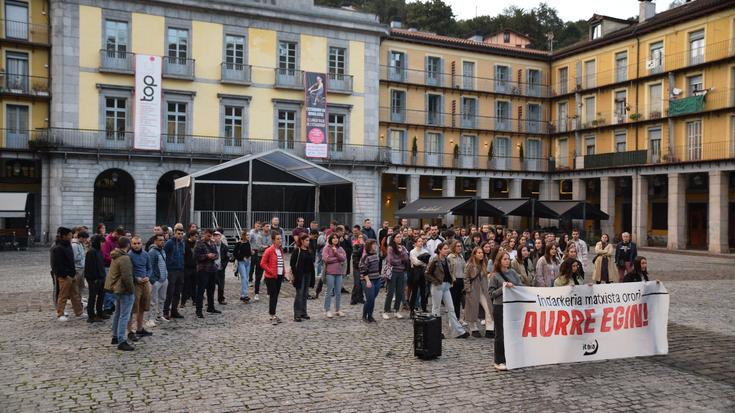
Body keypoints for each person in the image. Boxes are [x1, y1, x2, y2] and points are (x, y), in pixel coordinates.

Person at [425, 243, 469, 339]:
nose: (447, 250)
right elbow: (427, 273)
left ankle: (458, 331)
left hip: (446, 286)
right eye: (445, 249)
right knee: (436, 308)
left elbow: (449, 272)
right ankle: (436, 331)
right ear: (440, 250)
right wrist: (436, 281)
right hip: (437, 286)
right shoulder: (434, 259)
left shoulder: (446, 260)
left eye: (447, 248)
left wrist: (451, 281)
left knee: (451, 308)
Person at [488, 250, 523, 371]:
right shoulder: (494, 275)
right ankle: (498, 360)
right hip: (500, 306)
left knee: (512, 333)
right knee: (500, 334)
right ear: (499, 261)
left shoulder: (513, 272)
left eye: (508, 258)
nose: (507, 261)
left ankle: (511, 357)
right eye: (504, 259)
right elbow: (491, 294)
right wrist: (503, 288)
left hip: (512, 306)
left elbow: (520, 286)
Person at [105, 237, 136, 351]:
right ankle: (122, 340)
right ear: (128, 245)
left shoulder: (115, 255)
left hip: (116, 289)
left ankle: (115, 336)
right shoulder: (124, 258)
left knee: (118, 313)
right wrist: (131, 290)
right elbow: (127, 277)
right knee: (124, 315)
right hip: (123, 289)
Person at [51, 227, 84, 321]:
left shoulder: (68, 245)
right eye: (69, 235)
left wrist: (73, 273)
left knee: (75, 294)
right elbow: (57, 265)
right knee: (63, 295)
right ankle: (60, 313)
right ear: (64, 236)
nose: (71, 236)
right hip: (64, 276)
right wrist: (65, 275)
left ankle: (79, 312)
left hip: (72, 274)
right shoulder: (57, 248)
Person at [260, 232, 289, 325]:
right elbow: (262, 263)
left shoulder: (280, 250)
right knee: (273, 295)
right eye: (278, 239)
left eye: (280, 238)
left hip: (279, 276)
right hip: (271, 277)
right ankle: (272, 314)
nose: (280, 240)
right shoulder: (269, 250)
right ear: (273, 240)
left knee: (276, 295)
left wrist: (284, 272)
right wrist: (271, 271)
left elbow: (282, 262)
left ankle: (273, 313)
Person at [464, 247, 492, 338]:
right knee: (473, 309)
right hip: (473, 289)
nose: (481, 254)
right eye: (479, 253)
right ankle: (473, 328)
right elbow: (466, 278)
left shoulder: (483, 264)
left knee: (488, 308)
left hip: (483, 290)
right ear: (474, 254)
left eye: (482, 253)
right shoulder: (470, 264)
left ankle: (490, 329)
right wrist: (468, 290)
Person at [128, 237, 153, 340]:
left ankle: (139, 329)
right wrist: (136, 278)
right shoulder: (129, 255)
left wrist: (148, 276)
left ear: (141, 244)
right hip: (135, 284)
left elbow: (149, 267)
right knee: (132, 308)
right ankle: (129, 331)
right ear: (131, 244)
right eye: (134, 243)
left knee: (142, 307)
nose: (136, 245)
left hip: (145, 283)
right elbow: (128, 271)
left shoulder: (145, 254)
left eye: (138, 243)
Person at [382, 232, 410, 319]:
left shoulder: (403, 247)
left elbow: (406, 259)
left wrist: (401, 257)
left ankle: (396, 310)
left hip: (401, 272)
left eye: (400, 237)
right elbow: (391, 260)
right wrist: (400, 260)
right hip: (392, 272)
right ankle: (386, 311)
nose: (399, 238)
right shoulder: (390, 248)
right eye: (397, 237)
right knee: (390, 292)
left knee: (400, 292)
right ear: (393, 239)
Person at [195, 229, 220, 318]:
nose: (209, 238)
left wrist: (213, 256)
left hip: (212, 269)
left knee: (211, 289)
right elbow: (196, 257)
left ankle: (211, 307)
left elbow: (217, 254)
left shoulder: (212, 243)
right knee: (201, 290)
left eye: (211, 236)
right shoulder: (199, 243)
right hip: (203, 270)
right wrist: (207, 256)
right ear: (204, 234)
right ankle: (198, 310)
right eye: (208, 236)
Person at [322, 233, 347, 318]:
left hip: (339, 273)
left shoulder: (340, 248)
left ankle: (337, 309)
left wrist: (336, 253)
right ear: (330, 239)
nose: (335, 239)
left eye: (337, 238)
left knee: (338, 292)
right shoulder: (326, 248)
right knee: (329, 291)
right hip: (330, 273)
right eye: (334, 238)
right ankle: (327, 310)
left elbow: (343, 258)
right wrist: (337, 259)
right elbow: (326, 259)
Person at [290, 235, 314, 322]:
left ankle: (304, 312)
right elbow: (292, 263)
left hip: (308, 274)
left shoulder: (309, 251)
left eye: (309, 240)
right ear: (302, 241)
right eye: (307, 240)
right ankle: (297, 314)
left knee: (305, 294)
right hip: (300, 275)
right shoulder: (297, 250)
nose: (308, 242)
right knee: (299, 294)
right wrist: (295, 274)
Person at [163, 227, 185, 319]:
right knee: (170, 292)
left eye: (181, 234)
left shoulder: (181, 243)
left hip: (180, 270)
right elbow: (164, 254)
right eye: (178, 233)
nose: (180, 235)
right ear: (175, 233)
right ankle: (165, 311)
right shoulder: (169, 243)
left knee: (177, 292)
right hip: (171, 270)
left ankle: (174, 310)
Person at [84, 234, 107, 322]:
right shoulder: (91, 252)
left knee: (101, 296)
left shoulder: (99, 251)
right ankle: (91, 315)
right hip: (94, 279)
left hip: (101, 278)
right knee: (92, 297)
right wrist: (94, 278)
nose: (103, 244)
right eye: (102, 242)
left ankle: (99, 313)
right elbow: (89, 267)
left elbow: (101, 265)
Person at [359, 239, 381, 323]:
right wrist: (367, 281)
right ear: (369, 246)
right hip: (368, 280)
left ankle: (370, 315)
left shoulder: (376, 255)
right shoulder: (365, 257)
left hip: (377, 279)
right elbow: (363, 270)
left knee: (372, 299)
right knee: (370, 298)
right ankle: (364, 316)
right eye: (373, 244)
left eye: (375, 244)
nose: (375, 246)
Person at [148, 234, 168, 324]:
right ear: (155, 241)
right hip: (156, 280)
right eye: (160, 240)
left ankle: (160, 315)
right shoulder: (152, 252)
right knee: (153, 301)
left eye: (163, 240)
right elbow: (149, 266)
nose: (162, 241)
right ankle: (151, 318)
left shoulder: (163, 251)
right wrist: (153, 280)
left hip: (164, 279)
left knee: (162, 299)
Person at [408, 235, 430, 317]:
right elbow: (415, 262)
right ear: (415, 243)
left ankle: (424, 308)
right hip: (415, 272)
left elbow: (427, 262)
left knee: (423, 291)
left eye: (422, 241)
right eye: (419, 241)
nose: (421, 243)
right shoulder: (412, 251)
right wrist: (423, 261)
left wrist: (422, 261)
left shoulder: (425, 250)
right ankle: (412, 309)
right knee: (414, 292)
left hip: (423, 272)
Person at [447, 239, 466, 322]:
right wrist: (452, 280)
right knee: (453, 301)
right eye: (458, 246)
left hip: (461, 280)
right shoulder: (450, 257)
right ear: (454, 247)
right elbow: (448, 270)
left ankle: (457, 318)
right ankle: (453, 319)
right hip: (454, 281)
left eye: (460, 246)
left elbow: (464, 269)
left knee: (458, 301)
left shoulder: (461, 256)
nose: (459, 248)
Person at [253, 224, 272, 301]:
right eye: (267, 226)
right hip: (260, 257)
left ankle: (269, 293)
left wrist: (265, 247)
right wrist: (267, 247)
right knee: (258, 276)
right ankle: (256, 293)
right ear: (263, 227)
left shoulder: (270, 236)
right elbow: (258, 247)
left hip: (269, 258)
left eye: (269, 226)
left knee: (269, 276)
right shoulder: (259, 236)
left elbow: (272, 246)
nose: (268, 228)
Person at [233, 231, 252, 302]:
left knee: (246, 278)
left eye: (248, 235)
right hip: (241, 262)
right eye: (247, 235)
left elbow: (248, 252)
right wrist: (242, 257)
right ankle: (245, 295)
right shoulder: (238, 243)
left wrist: (250, 254)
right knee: (244, 278)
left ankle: (242, 295)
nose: (248, 236)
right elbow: (235, 253)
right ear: (243, 236)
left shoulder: (248, 243)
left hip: (248, 262)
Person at [181, 230, 198, 307]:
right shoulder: (185, 243)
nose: (196, 238)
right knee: (185, 285)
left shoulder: (197, 244)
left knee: (194, 285)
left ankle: (194, 300)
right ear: (191, 236)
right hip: (187, 267)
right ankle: (183, 302)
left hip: (195, 267)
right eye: (195, 236)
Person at [213, 231, 229, 305]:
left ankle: (221, 299)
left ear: (220, 237)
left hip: (221, 268)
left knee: (221, 285)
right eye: (215, 236)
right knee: (211, 285)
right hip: (212, 268)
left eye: (218, 236)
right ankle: (210, 299)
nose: (216, 238)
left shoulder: (224, 247)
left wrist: (223, 266)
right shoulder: (211, 246)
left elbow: (227, 258)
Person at [350, 233, 366, 305]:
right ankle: (353, 298)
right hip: (356, 266)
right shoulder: (355, 245)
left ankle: (360, 298)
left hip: (363, 267)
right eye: (359, 237)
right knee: (357, 283)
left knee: (362, 283)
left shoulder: (366, 247)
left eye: (362, 237)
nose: (361, 239)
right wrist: (362, 245)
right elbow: (357, 253)